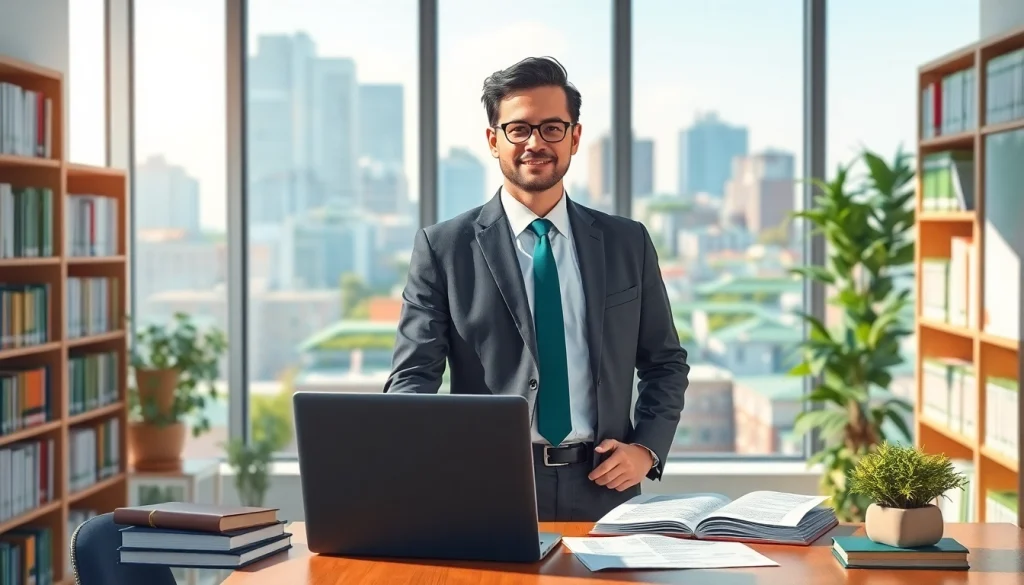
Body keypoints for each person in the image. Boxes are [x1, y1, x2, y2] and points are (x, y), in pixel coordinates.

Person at [384, 56, 689, 521]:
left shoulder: (627, 241)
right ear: (493, 140)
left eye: (551, 128)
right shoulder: (443, 247)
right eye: (518, 129)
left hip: (605, 486)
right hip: (487, 485)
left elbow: (665, 361)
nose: (535, 143)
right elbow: (412, 378)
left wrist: (646, 448)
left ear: (575, 137)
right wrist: (432, 462)